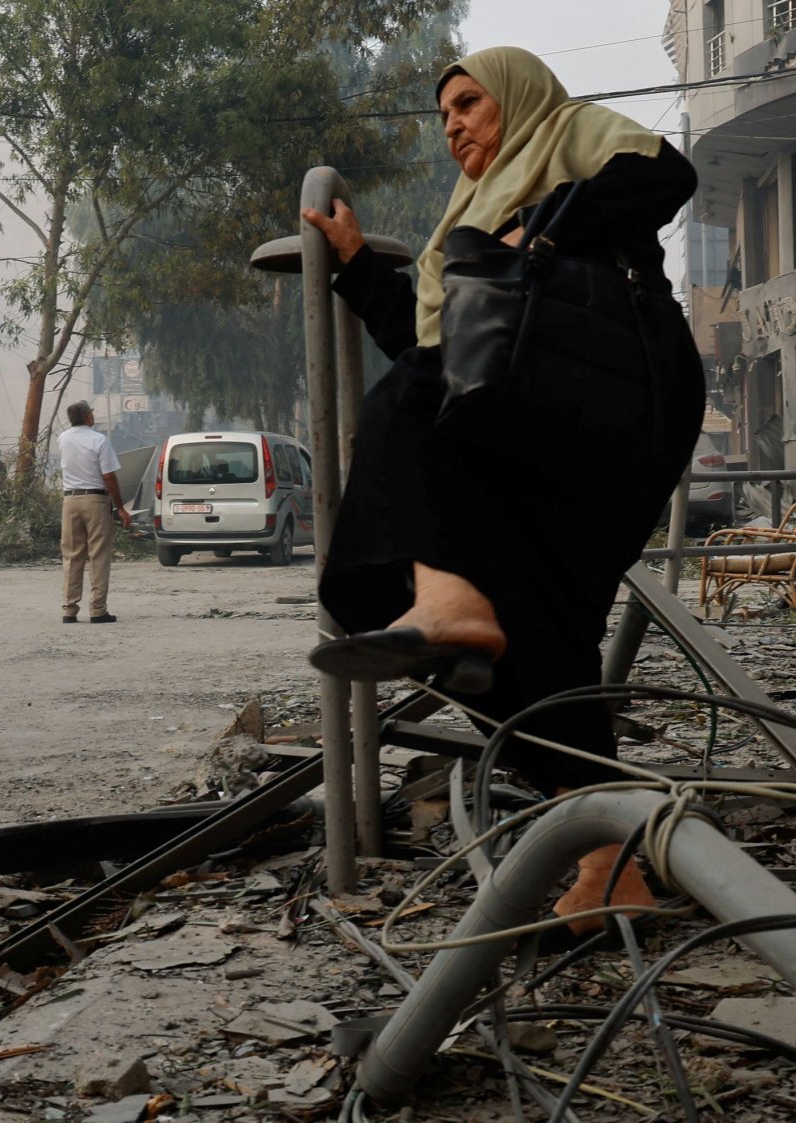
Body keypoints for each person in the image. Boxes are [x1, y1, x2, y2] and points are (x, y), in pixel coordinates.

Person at [301, 47, 704, 930]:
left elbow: (667, 174)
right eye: (443, 116)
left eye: (468, 103)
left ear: (514, 98)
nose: (453, 125)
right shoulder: (464, 219)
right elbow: (439, 342)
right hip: (532, 416)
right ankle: (609, 861)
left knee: (406, 401)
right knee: (531, 633)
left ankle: (445, 598)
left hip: (620, 393)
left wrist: (545, 227)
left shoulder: (566, 132)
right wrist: (357, 263)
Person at [57, 401, 131, 623]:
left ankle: (69, 609)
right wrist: (120, 508)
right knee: (98, 554)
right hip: (95, 500)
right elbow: (109, 476)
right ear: (88, 417)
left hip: (70, 500)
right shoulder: (99, 440)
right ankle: (98, 609)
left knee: (72, 555)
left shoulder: (63, 439)